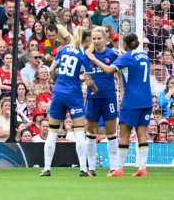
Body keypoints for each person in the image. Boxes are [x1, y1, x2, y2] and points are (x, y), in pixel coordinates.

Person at [86, 32, 152, 177]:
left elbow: (109, 70)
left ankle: (119, 169)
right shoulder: (145, 56)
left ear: (126, 44)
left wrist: (93, 58)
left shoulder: (125, 57)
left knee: (124, 134)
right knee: (142, 133)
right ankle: (142, 168)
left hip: (131, 101)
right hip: (147, 100)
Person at [41, 26, 98, 177]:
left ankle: (47, 169)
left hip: (58, 92)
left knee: (52, 132)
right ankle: (83, 169)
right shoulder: (84, 55)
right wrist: (96, 89)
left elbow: (52, 70)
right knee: (79, 132)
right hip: (73, 94)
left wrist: (56, 82)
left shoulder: (63, 49)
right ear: (87, 40)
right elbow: (88, 81)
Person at [85, 27, 119, 177]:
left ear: (105, 39)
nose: (97, 41)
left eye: (99, 38)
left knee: (111, 132)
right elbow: (86, 76)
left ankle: (113, 167)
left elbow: (119, 74)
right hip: (93, 98)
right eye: (94, 38)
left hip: (109, 96)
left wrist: (122, 92)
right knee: (91, 132)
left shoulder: (112, 54)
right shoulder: (88, 55)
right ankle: (91, 168)